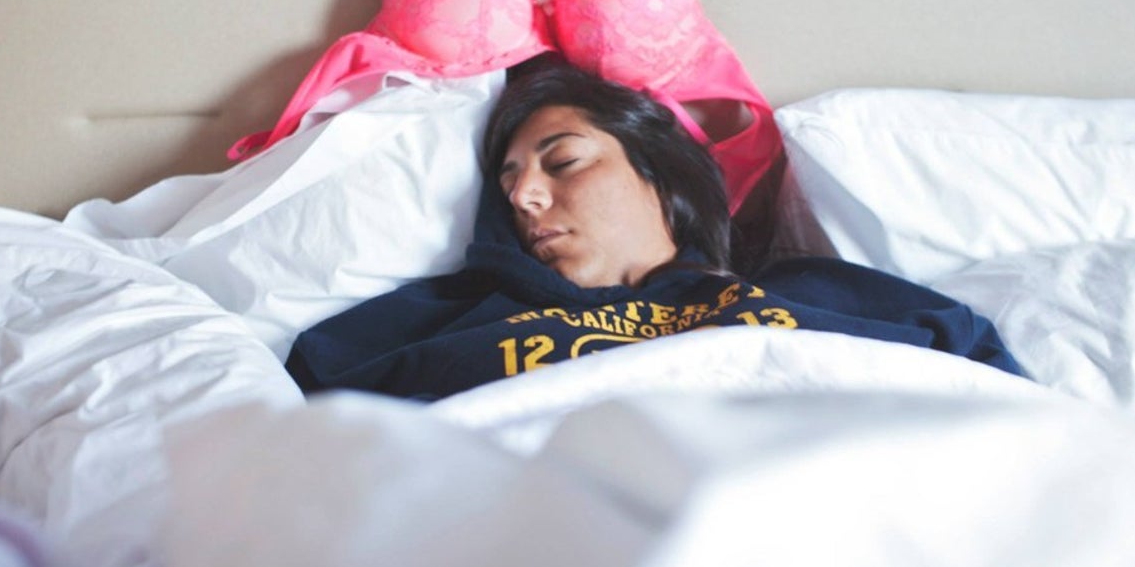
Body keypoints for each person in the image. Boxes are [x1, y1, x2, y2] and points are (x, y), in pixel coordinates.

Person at [286, 59, 1023, 400]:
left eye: (563, 162)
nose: (527, 197)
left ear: (660, 178)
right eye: (508, 184)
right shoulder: (437, 322)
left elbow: (1003, 406)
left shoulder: (821, 292)